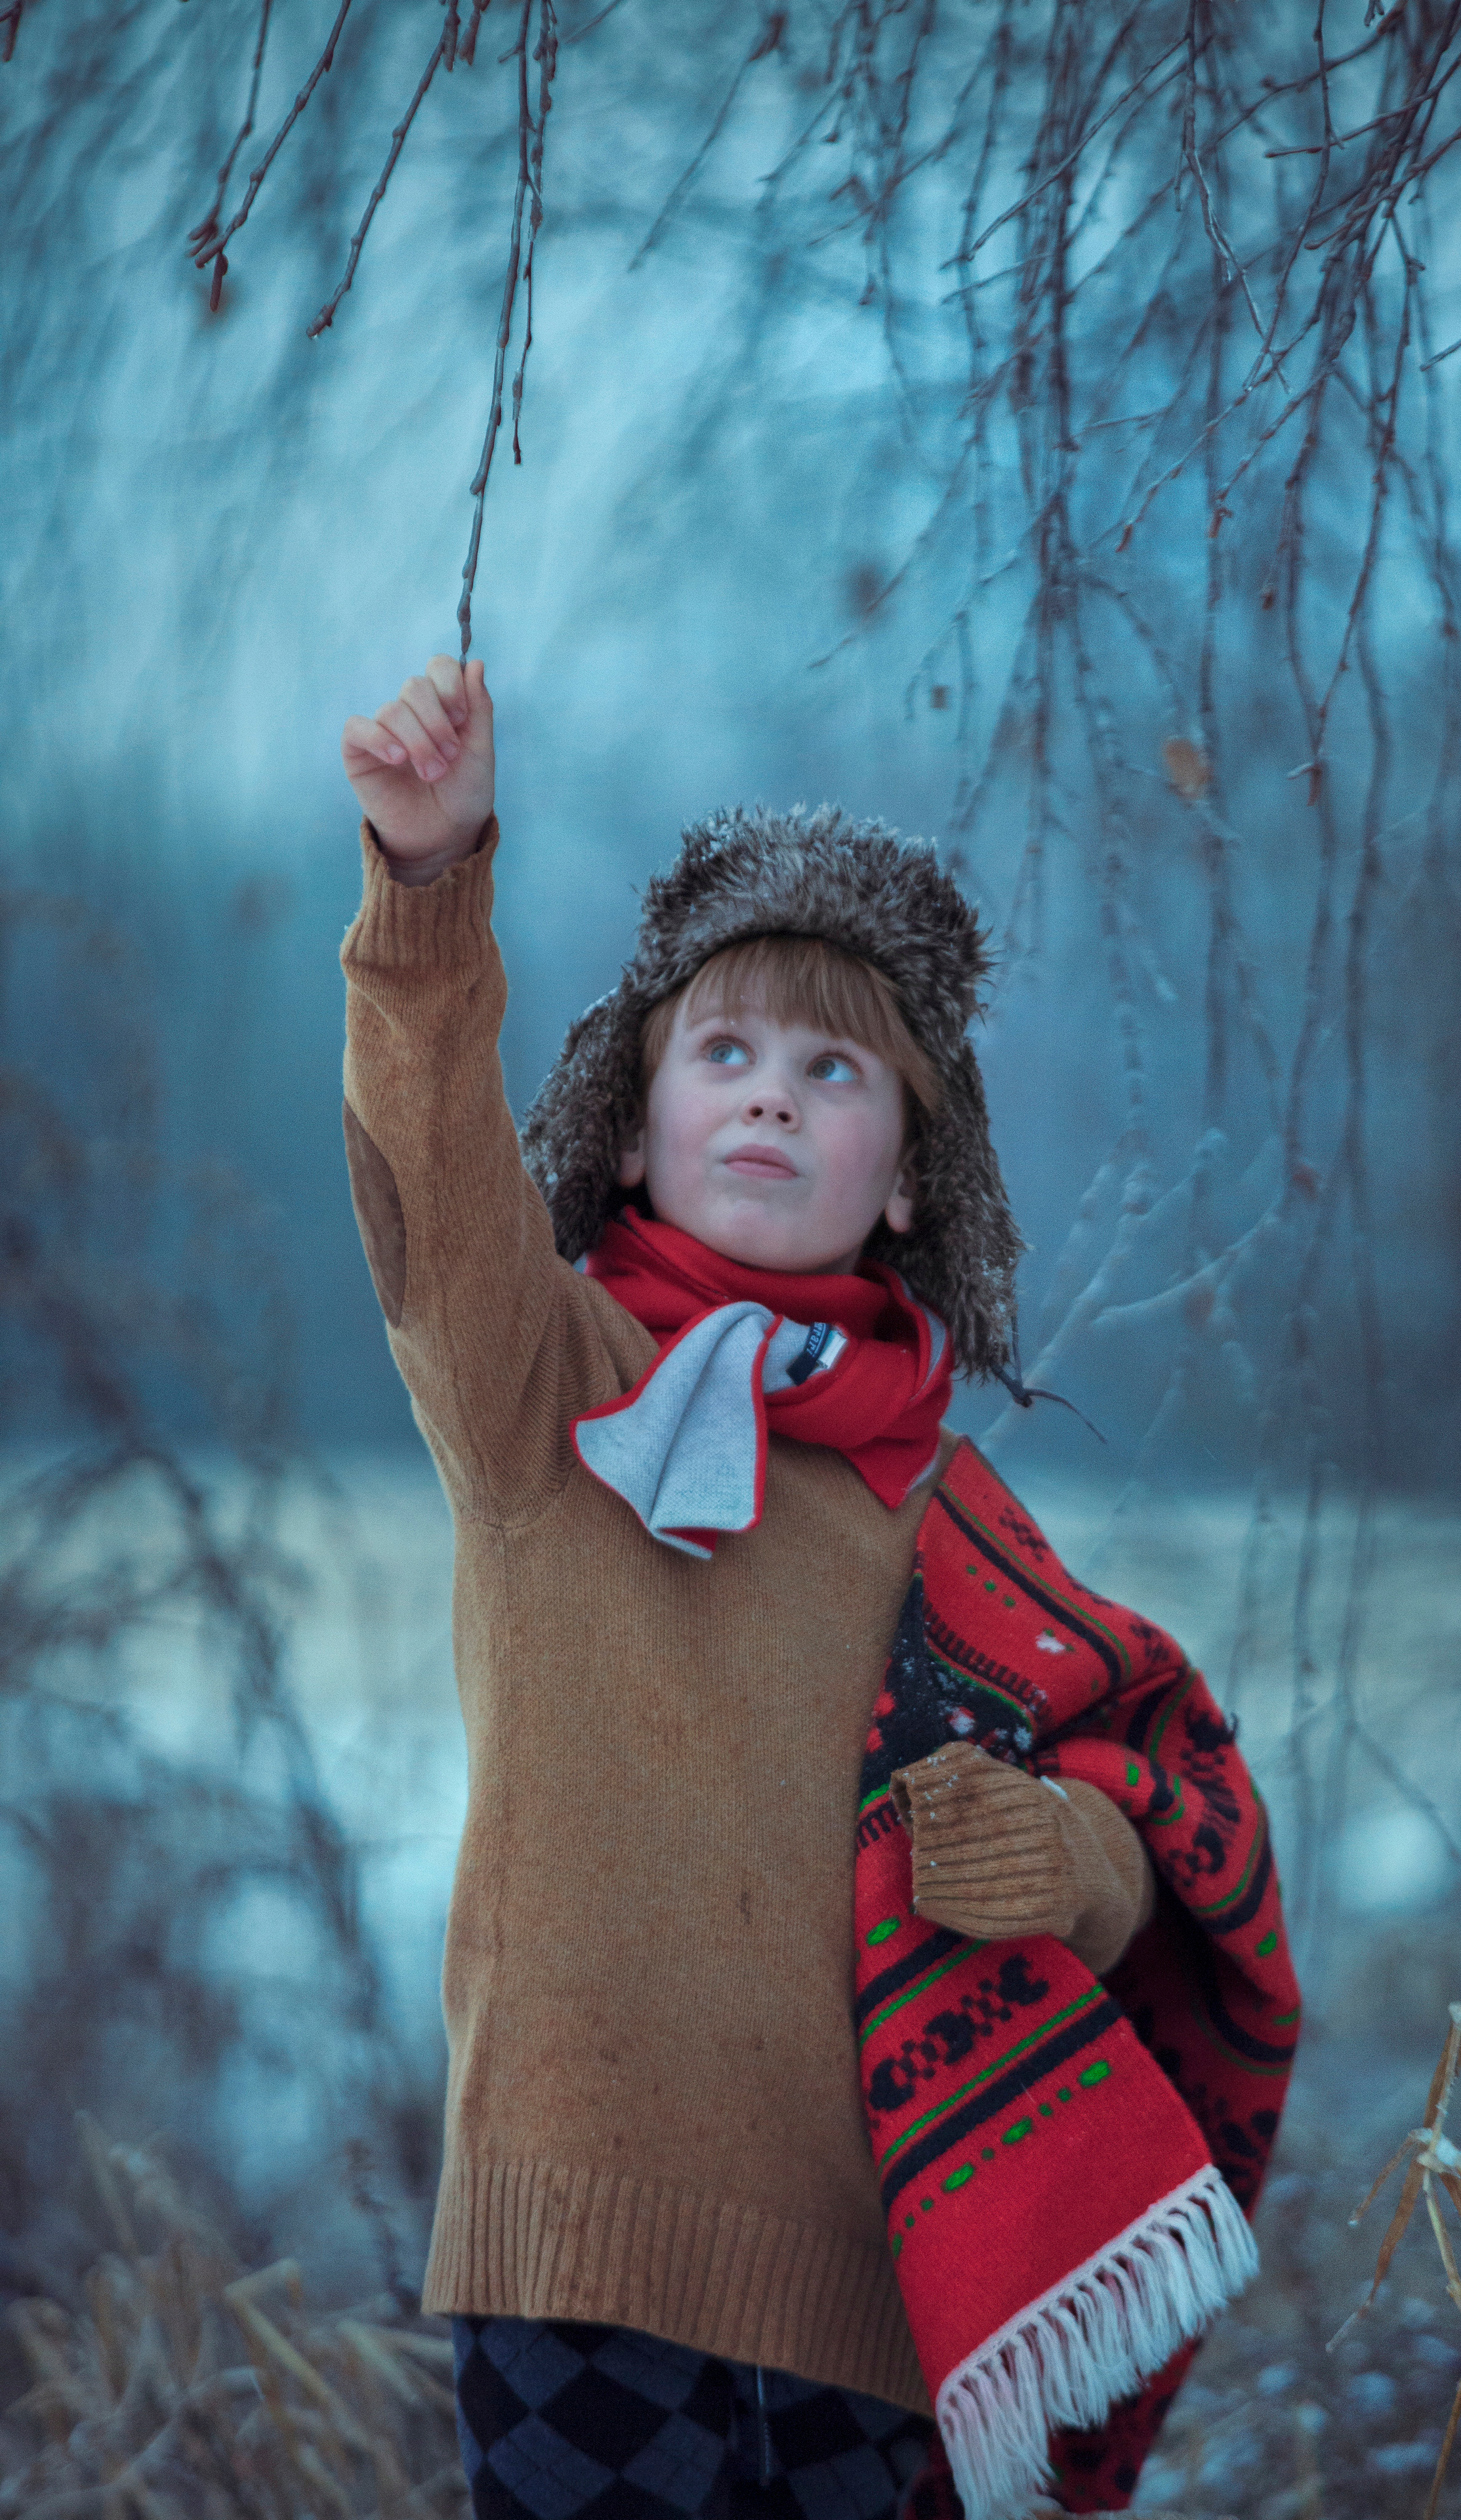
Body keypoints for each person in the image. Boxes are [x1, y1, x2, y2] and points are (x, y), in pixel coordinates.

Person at [339, 655, 1299, 2520]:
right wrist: (426, 881)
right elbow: (427, 1171)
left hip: (884, 2298)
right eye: (726, 1055)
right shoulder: (548, 1393)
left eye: (831, 1069)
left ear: (909, 1178)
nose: (770, 1102)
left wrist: (1064, 1854)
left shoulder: (943, 1508)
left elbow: (1149, 1810)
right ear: (631, 1125)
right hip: (581, 2265)